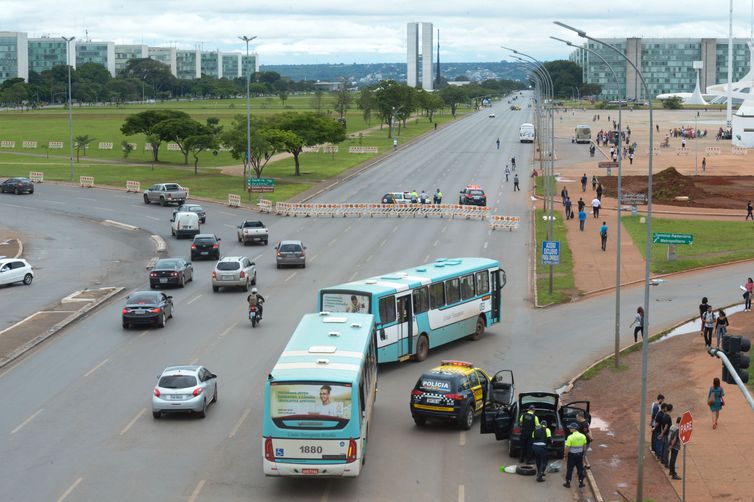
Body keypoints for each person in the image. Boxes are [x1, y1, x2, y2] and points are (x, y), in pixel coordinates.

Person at [563, 423, 587, 489]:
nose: (570, 429)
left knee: (570, 469)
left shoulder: (570, 437)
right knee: (580, 469)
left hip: (572, 456)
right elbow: (584, 446)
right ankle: (581, 482)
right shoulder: (583, 436)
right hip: (579, 455)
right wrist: (583, 453)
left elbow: (567, 447)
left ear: (574, 429)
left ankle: (568, 483)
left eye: (571, 428)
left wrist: (565, 455)